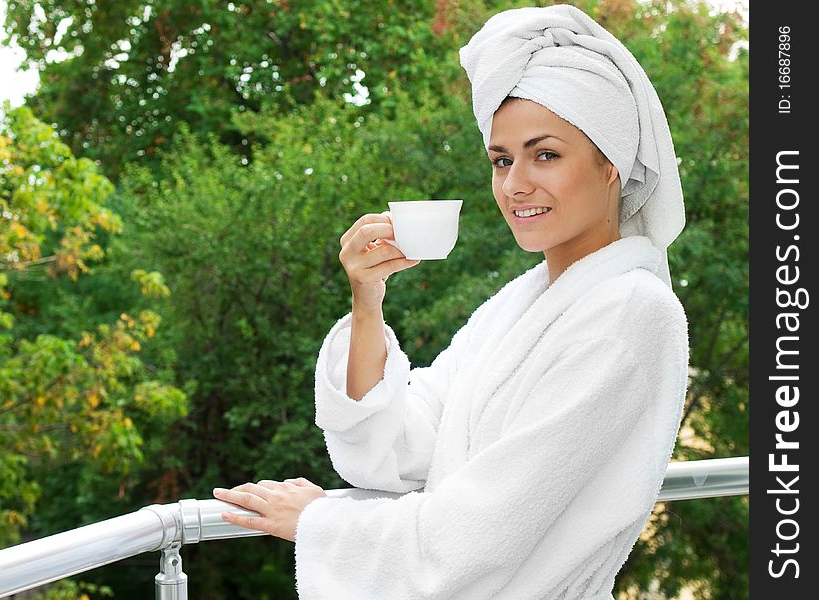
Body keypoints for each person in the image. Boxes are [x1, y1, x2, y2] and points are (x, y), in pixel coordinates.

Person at [213, 4, 689, 599]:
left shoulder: (632, 317)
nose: (515, 183)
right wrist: (368, 300)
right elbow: (402, 446)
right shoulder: (524, 304)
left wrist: (319, 520)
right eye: (501, 159)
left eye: (546, 154)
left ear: (610, 163)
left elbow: (476, 538)